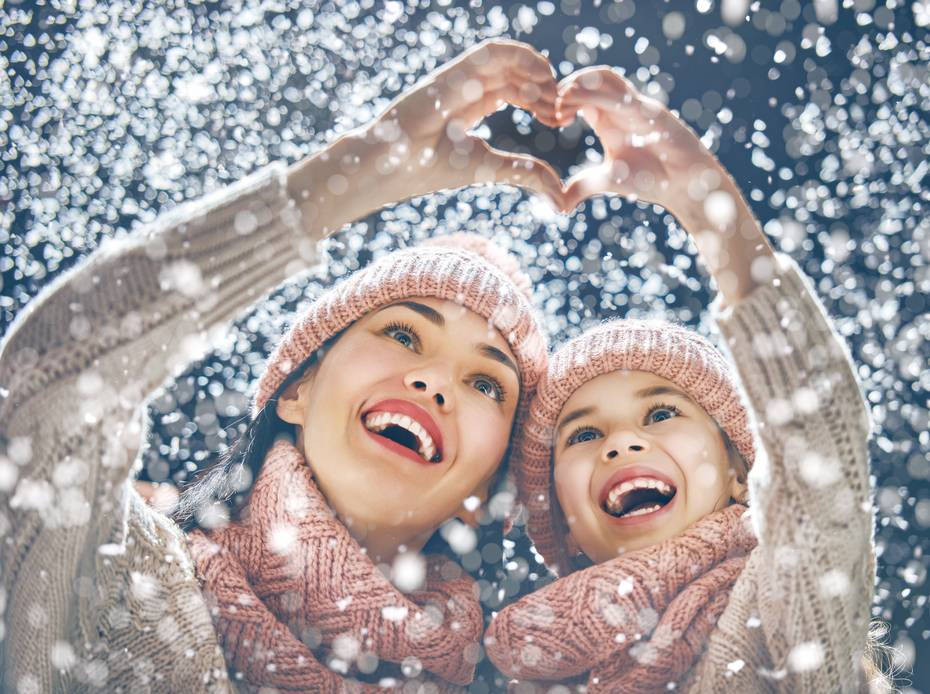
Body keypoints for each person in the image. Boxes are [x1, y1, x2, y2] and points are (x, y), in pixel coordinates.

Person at [0, 40, 562, 694]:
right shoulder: (118, 584)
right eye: (404, 333)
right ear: (296, 388)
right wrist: (340, 182)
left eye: (487, 382)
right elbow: (46, 390)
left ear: (482, 498)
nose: (433, 381)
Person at [484, 67, 882, 692]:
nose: (620, 443)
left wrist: (708, 209)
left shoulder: (776, 610)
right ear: (560, 523)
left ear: (736, 473)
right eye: (583, 434)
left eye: (663, 412)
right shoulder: (520, 672)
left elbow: (821, 459)